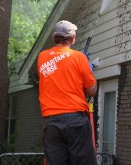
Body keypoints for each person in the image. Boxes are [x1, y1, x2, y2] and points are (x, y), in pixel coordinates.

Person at [37, 20, 97, 165]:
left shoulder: (42, 57)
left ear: (53, 37)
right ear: (72, 38)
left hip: (51, 123)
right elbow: (92, 90)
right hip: (75, 120)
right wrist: (87, 68)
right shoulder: (79, 57)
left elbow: (58, 72)